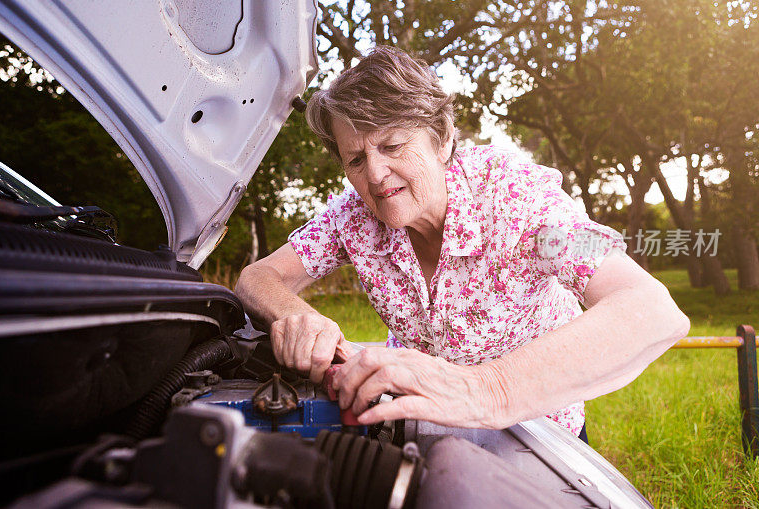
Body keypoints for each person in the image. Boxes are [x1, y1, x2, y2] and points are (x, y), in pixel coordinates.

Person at [234, 46, 689, 440]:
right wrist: (299, 316)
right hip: (418, 423)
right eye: (356, 158)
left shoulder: (521, 206)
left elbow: (650, 308)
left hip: (537, 435)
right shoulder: (353, 218)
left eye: (392, 146)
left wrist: (486, 389)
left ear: (443, 140)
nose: (373, 174)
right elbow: (259, 276)